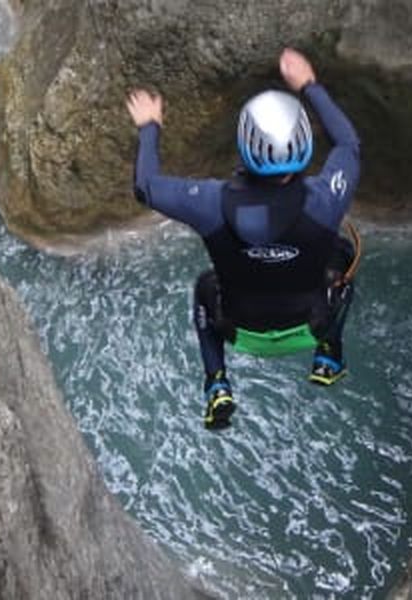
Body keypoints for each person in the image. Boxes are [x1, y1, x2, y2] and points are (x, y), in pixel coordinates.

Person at [126, 48, 361, 429]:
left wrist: (149, 126)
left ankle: (216, 382)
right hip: (310, 324)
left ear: (244, 144)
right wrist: (309, 85)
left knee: (205, 285)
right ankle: (329, 353)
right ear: (303, 146)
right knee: (344, 258)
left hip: (238, 329)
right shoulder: (326, 201)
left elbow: (146, 186)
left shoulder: (210, 204)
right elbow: (349, 145)